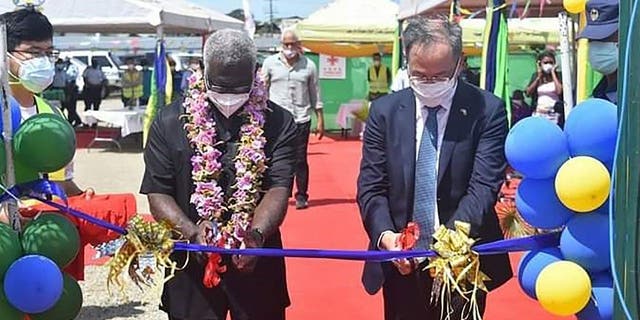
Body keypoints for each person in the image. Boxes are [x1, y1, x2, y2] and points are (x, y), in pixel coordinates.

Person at [356, 16, 512, 319]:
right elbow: (371, 186)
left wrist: (448, 245)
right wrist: (387, 236)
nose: (428, 84)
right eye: (419, 76)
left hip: (462, 262)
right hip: (400, 262)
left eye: (439, 76)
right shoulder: (385, 111)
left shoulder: (487, 110)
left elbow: (483, 188)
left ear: (459, 64)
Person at [141, 29, 297, 320]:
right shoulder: (169, 121)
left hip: (257, 260)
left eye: (239, 88)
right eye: (220, 87)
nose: (229, 98)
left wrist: (256, 235)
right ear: (202, 71)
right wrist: (191, 233)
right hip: (191, 266)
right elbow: (157, 192)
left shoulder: (279, 122)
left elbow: (279, 187)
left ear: (255, 75)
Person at [0, 5, 96, 281]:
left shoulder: (51, 113)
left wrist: (80, 195)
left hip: (44, 236)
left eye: (48, 53)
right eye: (33, 52)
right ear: (4, 53)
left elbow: (60, 179)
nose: (43, 61)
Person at [262, 28, 324, 210]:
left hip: (301, 119)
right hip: (276, 120)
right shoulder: (270, 63)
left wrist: (320, 118)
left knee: (299, 159)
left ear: (299, 45)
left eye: (292, 44)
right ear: (281, 45)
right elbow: (262, 90)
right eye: (286, 44)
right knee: (273, 158)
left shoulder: (309, 66)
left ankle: (302, 195)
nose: (289, 48)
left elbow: (315, 93)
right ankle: (277, 194)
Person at [577, 0, 619, 104]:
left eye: (605, 38)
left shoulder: (632, 98)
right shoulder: (599, 94)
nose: (596, 45)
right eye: (591, 39)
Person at [525, 50, 564, 126]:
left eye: (551, 62)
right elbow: (528, 93)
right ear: (540, 64)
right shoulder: (536, 76)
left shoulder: (558, 75)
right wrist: (538, 77)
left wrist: (553, 73)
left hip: (554, 114)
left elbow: (559, 91)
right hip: (539, 113)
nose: (548, 65)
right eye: (545, 63)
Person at [63, 57, 82, 127]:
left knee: (72, 106)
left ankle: (73, 120)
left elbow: (74, 76)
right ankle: (75, 120)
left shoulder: (73, 67)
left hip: (72, 87)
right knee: (66, 106)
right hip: (64, 87)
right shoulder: (63, 67)